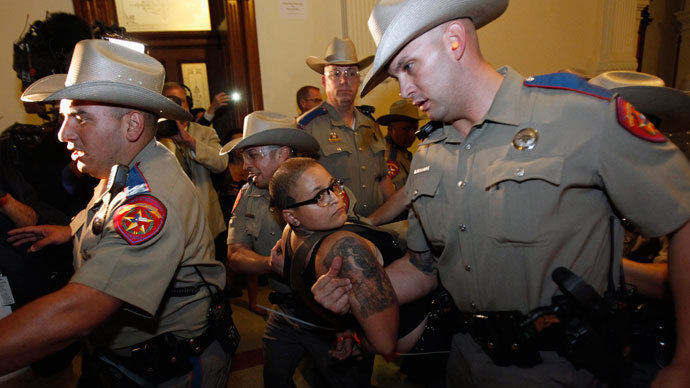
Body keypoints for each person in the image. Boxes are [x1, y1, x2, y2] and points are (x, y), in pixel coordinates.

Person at [312, 1, 690, 387]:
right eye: (396, 75)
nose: (406, 91)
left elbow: (682, 218)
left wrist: (683, 363)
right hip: (465, 361)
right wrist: (355, 293)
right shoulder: (429, 154)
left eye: (408, 66)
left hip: (566, 366)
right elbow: (424, 267)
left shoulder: (578, 116)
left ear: (455, 41)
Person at [1, 39, 234, 387]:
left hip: (165, 371)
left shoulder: (151, 200)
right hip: (122, 360)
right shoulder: (127, 163)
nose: (64, 134)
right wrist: (72, 231)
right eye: (65, 117)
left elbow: (77, 313)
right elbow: (108, 212)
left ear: (132, 126)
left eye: (80, 118)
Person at [298, 37, 395, 217]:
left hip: (377, 226)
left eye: (351, 74)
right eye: (335, 74)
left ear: (358, 80)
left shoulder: (371, 125)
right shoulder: (307, 127)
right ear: (324, 81)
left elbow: (383, 179)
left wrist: (397, 219)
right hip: (335, 231)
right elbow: (299, 192)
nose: (344, 81)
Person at [160, 82, 229, 246]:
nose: (174, 106)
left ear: (188, 104)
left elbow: (221, 163)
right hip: (170, 220)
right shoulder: (152, 136)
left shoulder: (205, 132)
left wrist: (190, 142)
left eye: (179, 101)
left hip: (206, 219)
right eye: (168, 101)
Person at [378, 99, 423, 191]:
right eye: (406, 129)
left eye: (415, 129)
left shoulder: (404, 153)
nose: (412, 134)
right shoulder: (385, 155)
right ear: (390, 129)